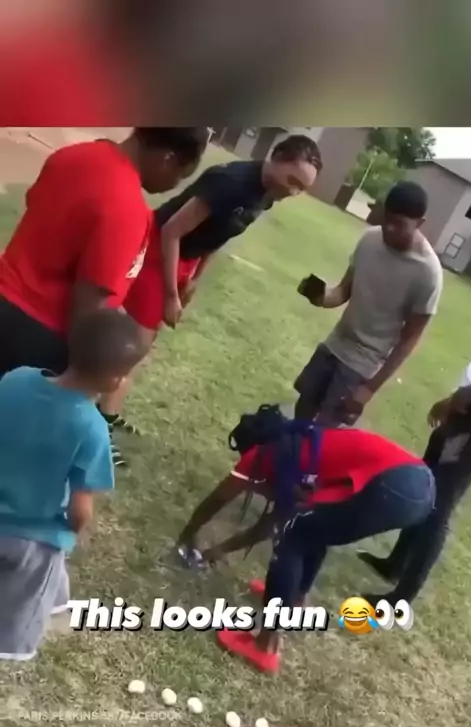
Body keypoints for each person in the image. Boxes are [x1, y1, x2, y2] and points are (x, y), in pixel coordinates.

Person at [0, 127, 210, 464]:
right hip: (38, 338)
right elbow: (90, 307)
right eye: (180, 176)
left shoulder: (73, 156)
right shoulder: (127, 207)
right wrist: (84, 384)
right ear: (167, 159)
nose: (174, 186)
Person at [176, 410, 436, 673]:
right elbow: (271, 522)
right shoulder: (301, 448)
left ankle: (265, 644)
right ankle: (295, 601)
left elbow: (218, 499)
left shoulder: (264, 455)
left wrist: (188, 532)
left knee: (294, 537)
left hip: (394, 486)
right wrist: (219, 550)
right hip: (421, 487)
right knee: (314, 528)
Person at [99, 135, 323, 437]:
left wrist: (194, 279)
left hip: (185, 257)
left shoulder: (267, 194)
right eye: (292, 180)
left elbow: (220, 235)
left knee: (141, 343)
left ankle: (107, 412)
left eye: (301, 188)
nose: (293, 191)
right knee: (135, 343)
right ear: (276, 156)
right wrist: (170, 294)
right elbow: (171, 231)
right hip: (158, 249)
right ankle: (100, 419)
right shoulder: (230, 182)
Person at [0, 309, 149, 661]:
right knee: (18, 608)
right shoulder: (91, 428)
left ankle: (58, 600)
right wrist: (73, 528)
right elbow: (80, 509)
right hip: (33, 539)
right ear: (115, 380)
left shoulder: (16, 379)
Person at [294, 181, 443, 426]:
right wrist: (320, 296)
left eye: (399, 224)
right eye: (387, 219)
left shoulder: (428, 273)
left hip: (363, 364)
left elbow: (410, 339)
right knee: (302, 410)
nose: (390, 229)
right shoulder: (370, 239)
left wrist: (370, 389)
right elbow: (342, 291)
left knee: (325, 432)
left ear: (420, 223)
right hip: (335, 344)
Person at [358, 354, 471, 607]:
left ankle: (403, 596)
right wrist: (453, 400)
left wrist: (464, 396)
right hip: (463, 414)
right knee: (426, 486)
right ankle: (396, 564)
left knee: (439, 507)